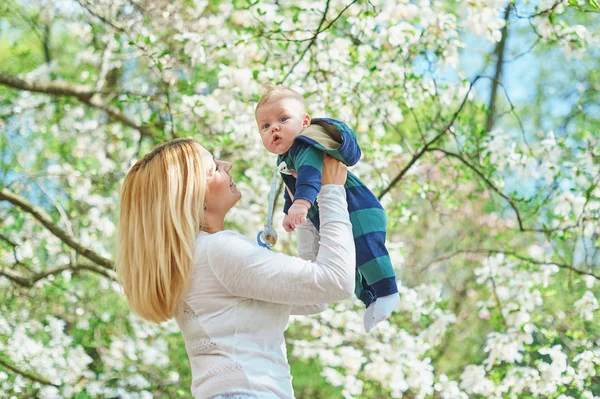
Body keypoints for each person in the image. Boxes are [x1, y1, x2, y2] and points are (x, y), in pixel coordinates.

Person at [115, 138, 355, 399]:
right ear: (193, 194)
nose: (227, 165)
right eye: (214, 168)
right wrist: (331, 190)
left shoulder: (191, 261)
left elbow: (312, 298)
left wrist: (305, 210)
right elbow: (336, 281)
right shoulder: (219, 251)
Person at [255, 86, 399, 332]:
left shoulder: (305, 146)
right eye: (265, 126)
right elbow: (294, 185)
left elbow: (310, 175)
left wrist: (301, 203)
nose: (274, 128)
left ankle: (387, 292)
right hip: (330, 214)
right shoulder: (284, 160)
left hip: (358, 208)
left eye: (282, 119)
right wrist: (289, 210)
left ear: (305, 122)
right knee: (347, 260)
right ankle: (369, 298)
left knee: (367, 251)